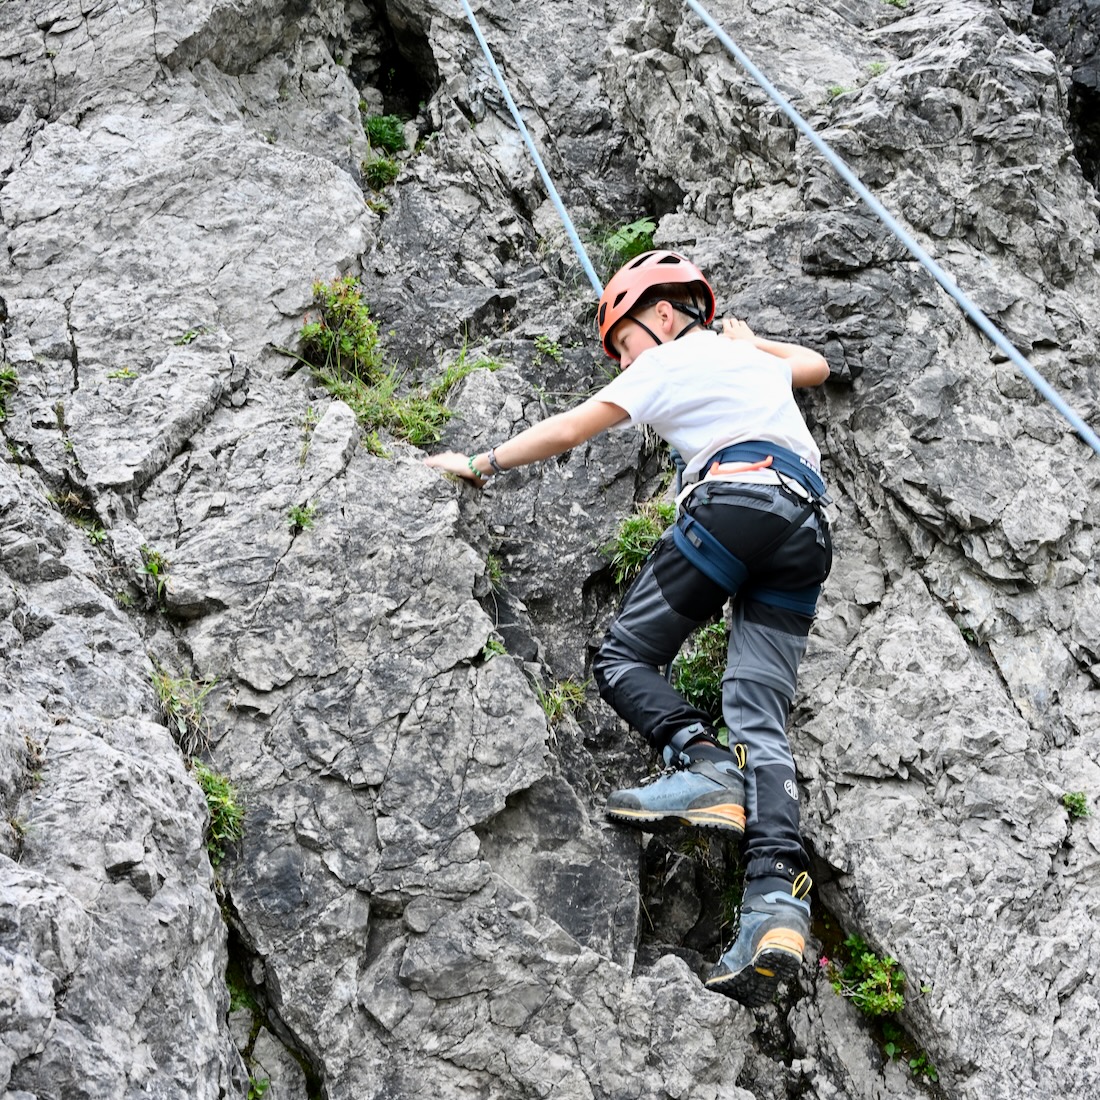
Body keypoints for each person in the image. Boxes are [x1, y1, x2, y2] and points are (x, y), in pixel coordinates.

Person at [425, 250, 831, 1007]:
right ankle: (778, 904)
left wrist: (478, 460)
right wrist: (754, 343)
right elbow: (816, 364)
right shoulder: (749, 362)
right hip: (805, 529)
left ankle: (704, 763)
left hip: (736, 502)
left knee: (622, 659)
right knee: (761, 720)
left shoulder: (668, 359)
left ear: (666, 315)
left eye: (623, 341)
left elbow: (570, 428)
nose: (621, 359)